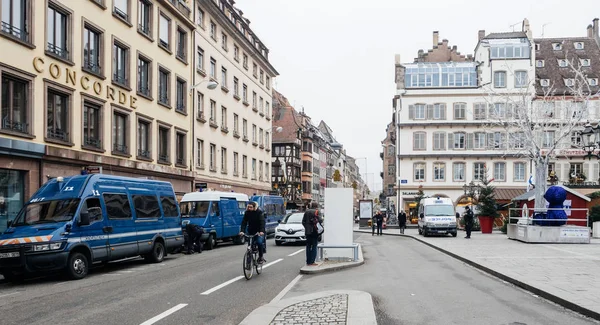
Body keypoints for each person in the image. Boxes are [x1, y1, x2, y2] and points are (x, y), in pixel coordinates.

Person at [302, 202, 322, 266]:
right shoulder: (317, 211)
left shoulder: (306, 211)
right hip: (314, 231)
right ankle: (312, 261)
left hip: (307, 232)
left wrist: (307, 227)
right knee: (314, 246)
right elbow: (320, 220)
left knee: (308, 246)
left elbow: (303, 221)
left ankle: (308, 261)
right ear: (316, 206)